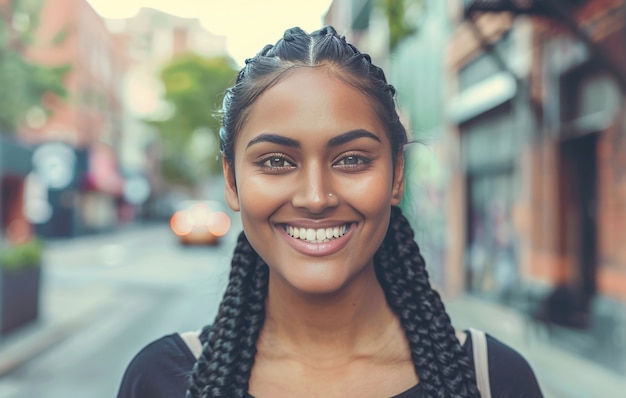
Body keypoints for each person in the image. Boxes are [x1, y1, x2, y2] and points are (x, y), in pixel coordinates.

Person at [117, 26, 543, 398]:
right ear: (231, 181)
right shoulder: (162, 381)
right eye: (277, 161)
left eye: (352, 159)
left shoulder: (494, 380)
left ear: (396, 177)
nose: (316, 198)